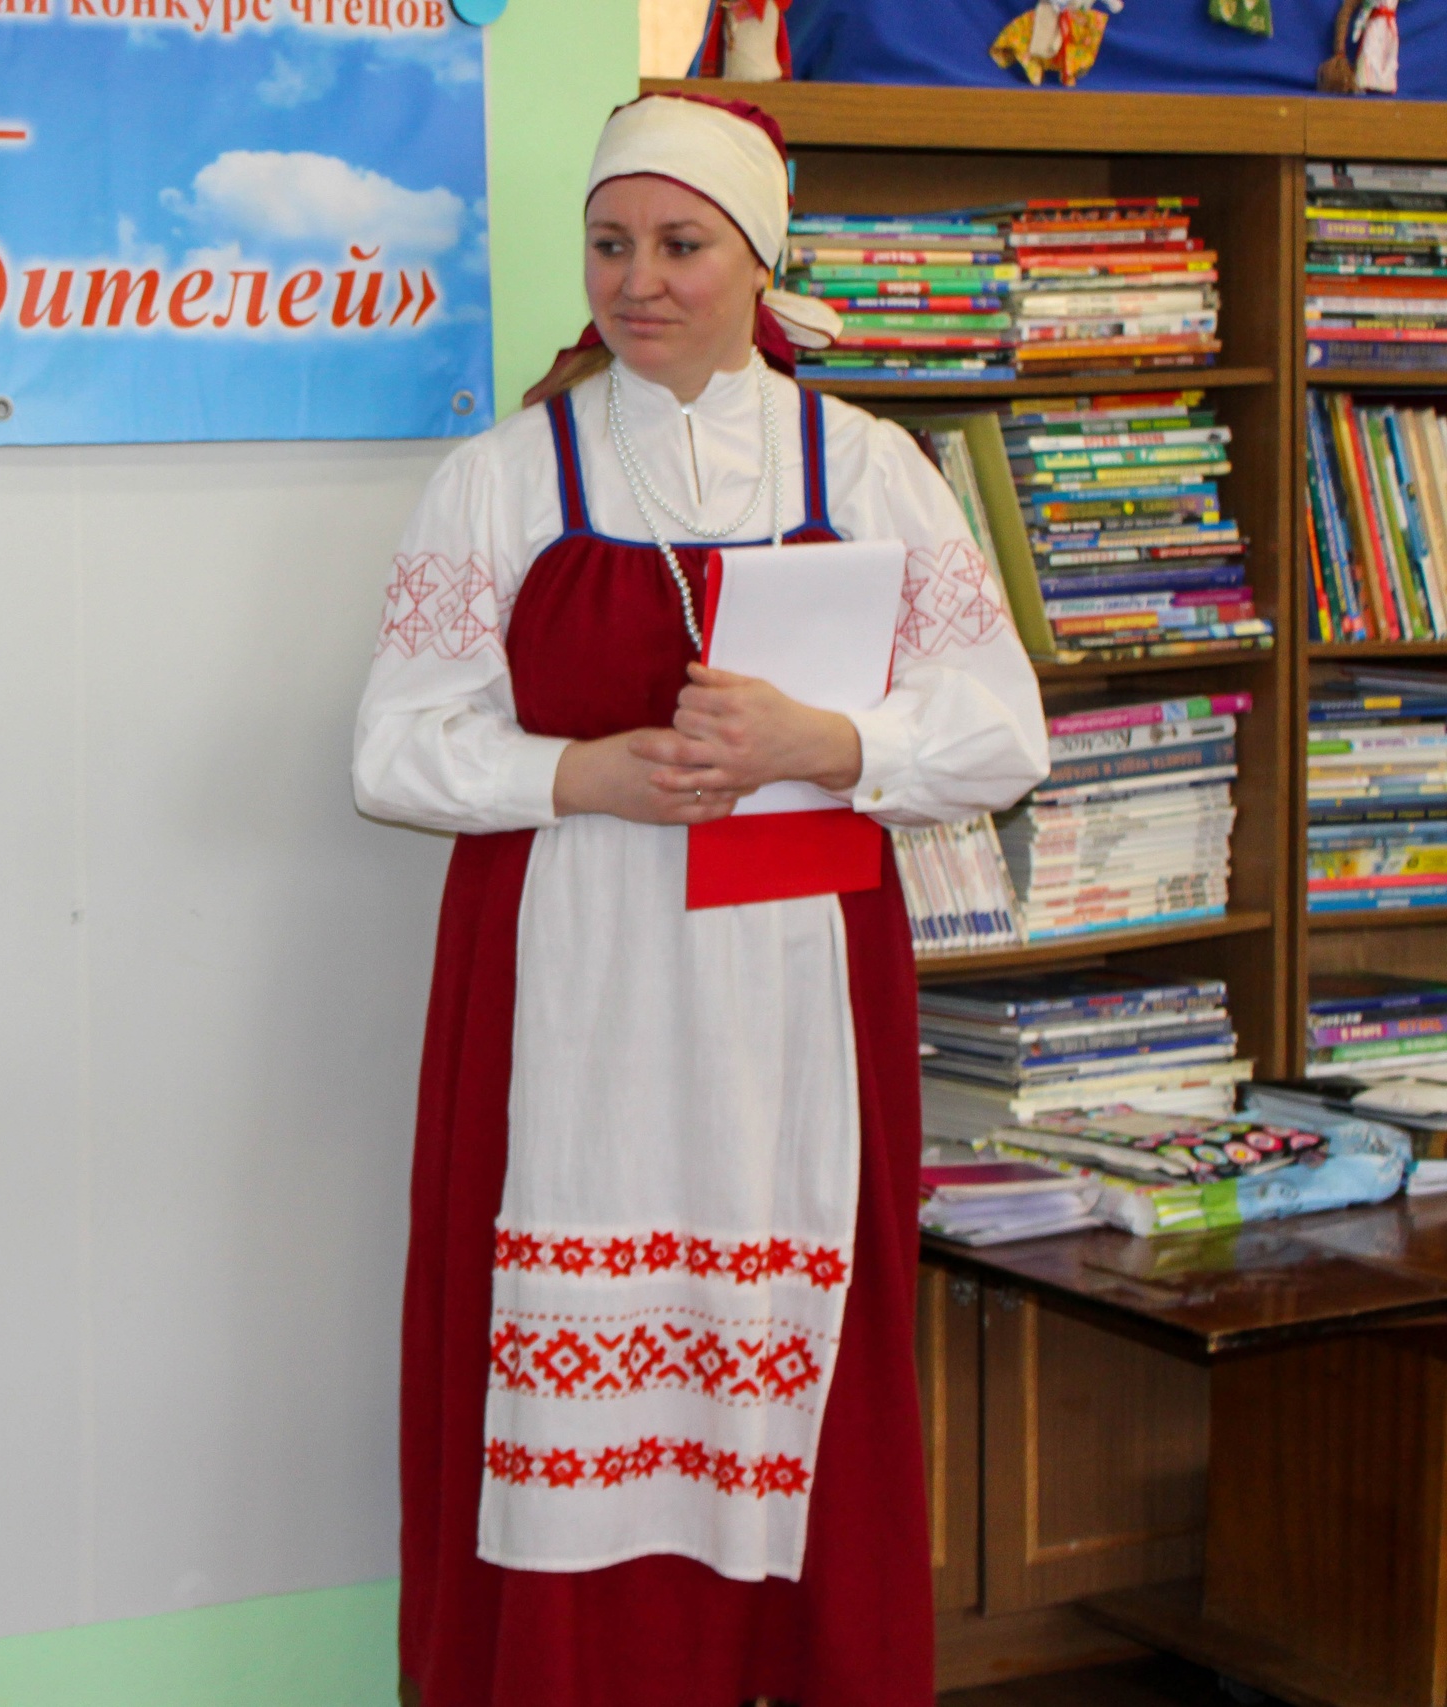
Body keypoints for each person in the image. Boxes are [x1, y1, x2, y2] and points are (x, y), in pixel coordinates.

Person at [353, 93, 1048, 1707]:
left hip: (797, 987)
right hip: (570, 982)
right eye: (610, 244)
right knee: (567, 1344)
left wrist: (831, 742)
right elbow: (391, 749)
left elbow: (1003, 731)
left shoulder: (865, 466)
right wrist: (576, 773)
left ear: (758, 261)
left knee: (787, 1329)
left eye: (681, 244)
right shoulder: (502, 477)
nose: (639, 279)